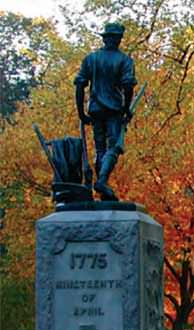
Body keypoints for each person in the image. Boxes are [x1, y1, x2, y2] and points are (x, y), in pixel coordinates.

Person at [74, 22, 137, 201]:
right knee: (115, 147)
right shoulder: (125, 61)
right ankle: (101, 180)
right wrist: (126, 108)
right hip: (114, 110)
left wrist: (81, 112)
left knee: (100, 149)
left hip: (95, 110)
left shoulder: (91, 59)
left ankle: (102, 190)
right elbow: (128, 86)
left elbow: (79, 85)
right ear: (118, 39)